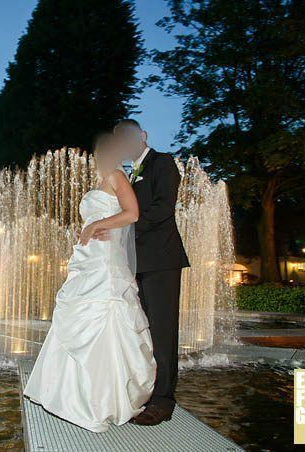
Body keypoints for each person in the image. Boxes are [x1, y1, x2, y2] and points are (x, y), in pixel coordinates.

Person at [23, 133, 156, 433]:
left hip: (105, 265)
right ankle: (70, 395)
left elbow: (131, 213)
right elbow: (104, 216)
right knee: (77, 317)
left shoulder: (116, 174)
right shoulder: (101, 180)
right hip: (89, 259)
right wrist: (87, 230)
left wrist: (97, 224)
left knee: (105, 321)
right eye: (98, 152)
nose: (101, 156)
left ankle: (101, 401)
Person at [94, 119, 189, 426]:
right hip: (135, 264)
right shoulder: (128, 174)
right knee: (142, 331)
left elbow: (163, 208)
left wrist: (122, 229)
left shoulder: (162, 163)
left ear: (143, 136)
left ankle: (163, 401)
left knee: (162, 332)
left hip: (161, 261)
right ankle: (146, 392)